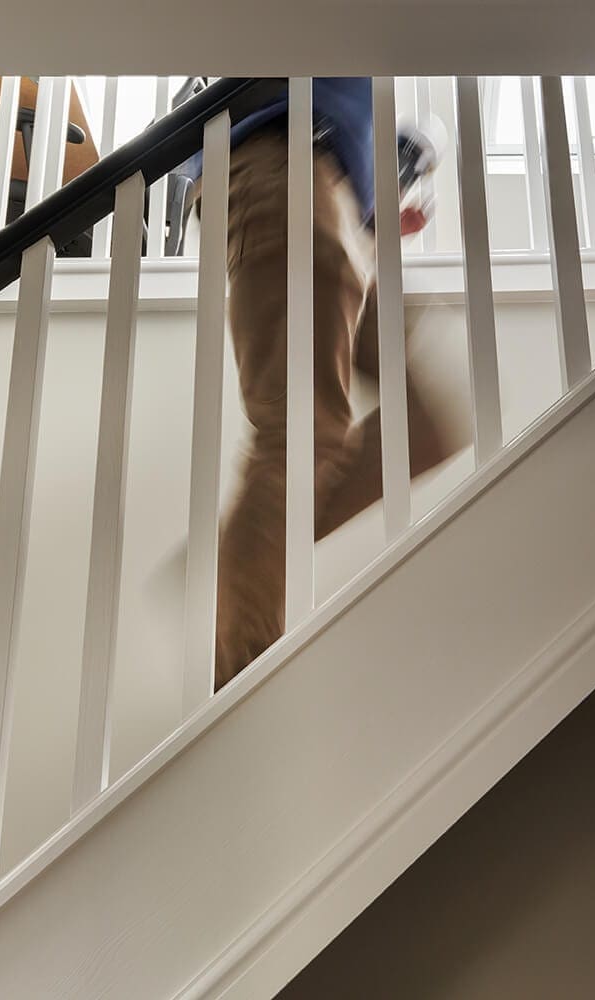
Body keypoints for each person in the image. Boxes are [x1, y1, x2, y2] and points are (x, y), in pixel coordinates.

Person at [207, 78, 460, 688]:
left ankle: (251, 548)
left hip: (335, 200)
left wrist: (372, 207)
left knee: (426, 427)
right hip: (289, 168)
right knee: (299, 439)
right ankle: (238, 692)